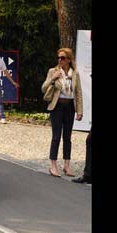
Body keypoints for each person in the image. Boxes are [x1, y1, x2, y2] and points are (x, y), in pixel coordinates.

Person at [41, 48, 83, 177]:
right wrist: (53, 79)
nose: (60, 60)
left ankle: (66, 165)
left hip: (70, 106)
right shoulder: (53, 71)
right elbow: (43, 89)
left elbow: (78, 93)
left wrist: (79, 110)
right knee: (56, 136)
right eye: (58, 57)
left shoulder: (75, 74)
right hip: (57, 106)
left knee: (67, 137)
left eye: (63, 58)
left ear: (69, 60)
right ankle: (53, 166)